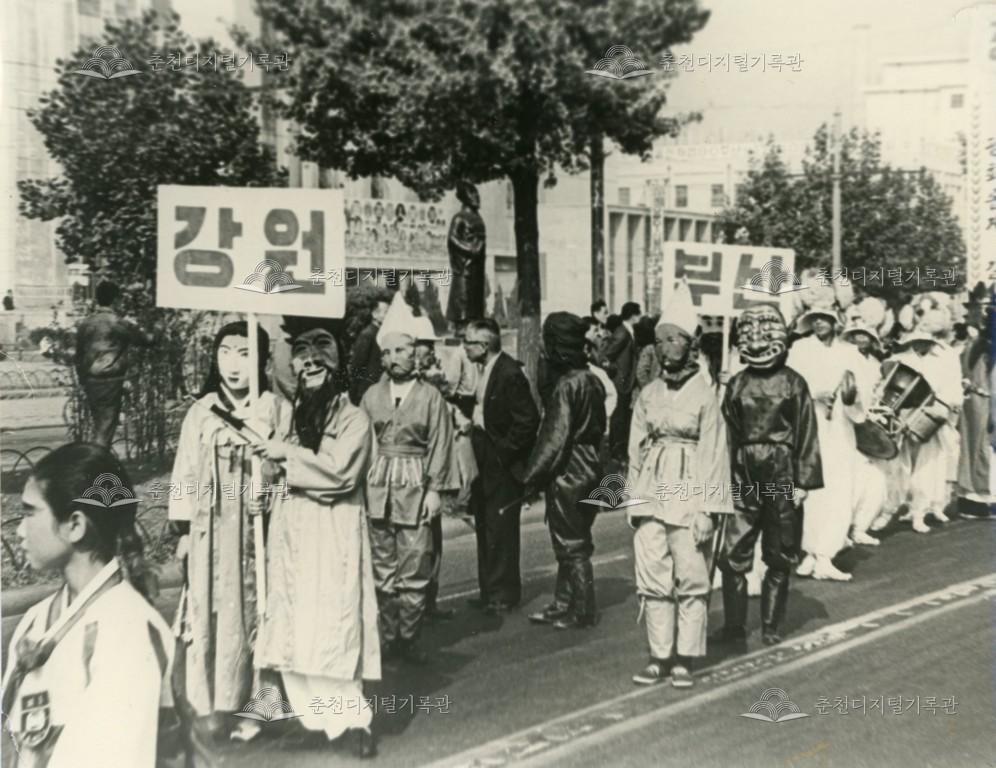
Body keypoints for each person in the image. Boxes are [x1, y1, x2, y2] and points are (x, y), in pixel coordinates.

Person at [252, 317, 379, 758]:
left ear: (336, 364)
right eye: (301, 357)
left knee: (334, 627)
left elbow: (340, 473)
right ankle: (318, 719)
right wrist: (265, 485)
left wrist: (286, 456)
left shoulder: (354, 419)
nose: (309, 364)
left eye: (320, 356)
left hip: (332, 535)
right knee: (295, 629)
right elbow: (276, 474)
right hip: (292, 537)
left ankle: (353, 721)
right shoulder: (289, 419)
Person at [3, 444, 172, 767]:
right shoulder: (35, 621)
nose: (20, 531)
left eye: (29, 513)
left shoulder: (128, 630)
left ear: (75, 525)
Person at [168, 321, 281, 744]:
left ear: (263, 360)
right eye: (226, 353)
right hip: (208, 533)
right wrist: (181, 530)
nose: (233, 365)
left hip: (254, 537)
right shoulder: (201, 412)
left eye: (246, 353)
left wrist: (268, 492)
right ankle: (212, 702)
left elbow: (289, 467)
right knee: (209, 611)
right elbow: (185, 471)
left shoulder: (273, 409)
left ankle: (256, 705)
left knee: (253, 612)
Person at [626, 285, 731, 687]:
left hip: (689, 489)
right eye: (660, 339)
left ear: (690, 345)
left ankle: (685, 657)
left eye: (675, 338)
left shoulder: (705, 396)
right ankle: (659, 654)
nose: (666, 346)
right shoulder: (648, 394)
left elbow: (715, 452)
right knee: (652, 573)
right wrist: (635, 501)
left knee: (690, 573)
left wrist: (707, 509)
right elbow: (634, 447)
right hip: (654, 489)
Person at [715, 304, 823, 647]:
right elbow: (726, 433)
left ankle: (771, 625)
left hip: (782, 471)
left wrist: (803, 482)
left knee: (779, 552)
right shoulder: (735, 384)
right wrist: (722, 475)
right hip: (743, 472)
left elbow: (807, 431)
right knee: (733, 553)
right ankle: (734, 625)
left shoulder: (794, 383)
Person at [360, 293, 457, 663]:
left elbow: (441, 444)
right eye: (387, 352)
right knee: (382, 568)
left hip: (416, 485)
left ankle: (408, 637)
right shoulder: (371, 396)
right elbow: (362, 445)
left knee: (414, 565)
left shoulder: (431, 397)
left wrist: (435, 490)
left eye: (401, 351)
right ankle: (388, 637)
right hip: (378, 487)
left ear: (414, 353)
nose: (394, 358)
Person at [523, 312, 605, 630]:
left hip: (570, 470)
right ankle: (564, 600)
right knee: (573, 539)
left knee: (571, 544)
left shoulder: (566, 387)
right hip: (591, 465)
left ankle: (581, 609)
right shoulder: (592, 380)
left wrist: (529, 478)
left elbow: (554, 441)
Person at [465, 318, 540, 614]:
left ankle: (503, 594)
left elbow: (528, 420)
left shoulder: (509, 373)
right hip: (483, 454)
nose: (465, 348)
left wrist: (504, 451)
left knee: (501, 527)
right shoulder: (485, 370)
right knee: (485, 524)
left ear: (483, 346)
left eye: (469, 342)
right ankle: (489, 590)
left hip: (500, 460)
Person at [412, 315, 478, 622]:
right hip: (411, 470)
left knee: (432, 539)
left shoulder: (433, 382)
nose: (426, 352)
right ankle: (413, 604)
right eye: (420, 346)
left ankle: (428, 600)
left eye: (427, 346)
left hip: (432, 471)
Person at [788, 306, 862, 581]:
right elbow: (790, 385)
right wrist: (812, 396)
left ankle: (826, 554)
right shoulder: (800, 350)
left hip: (841, 429)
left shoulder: (848, 352)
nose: (819, 323)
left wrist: (851, 397)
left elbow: (859, 389)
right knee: (813, 490)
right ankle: (810, 552)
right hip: (811, 426)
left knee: (841, 489)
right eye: (814, 319)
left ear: (834, 321)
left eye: (824, 319)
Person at [890, 311, 962, 533]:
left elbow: (952, 388)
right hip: (903, 416)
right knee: (900, 465)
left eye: (925, 341)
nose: (921, 344)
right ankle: (896, 507)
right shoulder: (901, 359)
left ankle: (920, 511)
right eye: (917, 341)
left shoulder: (943, 359)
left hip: (930, 417)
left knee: (927, 465)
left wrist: (943, 406)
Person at [73, 280, 153, 447]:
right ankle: (98, 466)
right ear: (116, 299)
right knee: (106, 426)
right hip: (110, 379)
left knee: (99, 423)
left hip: (90, 379)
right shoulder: (117, 322)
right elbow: (145, 340)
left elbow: (79, 355)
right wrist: (157, 326)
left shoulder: (86, 323)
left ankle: (98, 460)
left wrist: (82, 378)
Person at [840, 324, 889, 546]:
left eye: (866, 336)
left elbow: (880, 393)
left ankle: (861, 526)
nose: (861, 338)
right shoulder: (843, 359)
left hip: (871, 424)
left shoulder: (877, 365)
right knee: (850, 479)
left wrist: (878, 412)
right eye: (857, 334)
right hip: (846, 424)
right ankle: (842, 529)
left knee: (876, 479)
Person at [957, 282, 994, 519]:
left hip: (984, 399)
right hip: (980, 401)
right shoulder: (975, 344)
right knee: (977, 446)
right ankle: (975, 498)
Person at [603, 301, 642, 465]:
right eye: (638, 314)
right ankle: (616, 452)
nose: (639, 318)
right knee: (619, 418)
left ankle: (618, 450)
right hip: (621, 382)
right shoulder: (623, 333)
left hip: (624, 382)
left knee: (622, 417)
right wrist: (615, 369)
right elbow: (605, 355)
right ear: (632, 316)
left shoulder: (627, 331)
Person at [445, 181, 487, 326]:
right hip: (464, 269)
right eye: (472, 193)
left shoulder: (478, 218)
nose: (476, 197)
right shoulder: (459, 217)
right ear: (464, 197)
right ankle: (461, 326)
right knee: (463, 305)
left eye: (477, 193)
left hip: (477, 270)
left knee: (474, 307)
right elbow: (452, 239)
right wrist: (470, 249)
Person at [348, 292, 391, 405]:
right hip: (365, 391)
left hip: (377, 390)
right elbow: (357, 365)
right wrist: (353, 393)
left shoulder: (381, 333)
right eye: (385, 312)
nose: (388, 316)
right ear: (374, 314)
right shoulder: (367, 334)